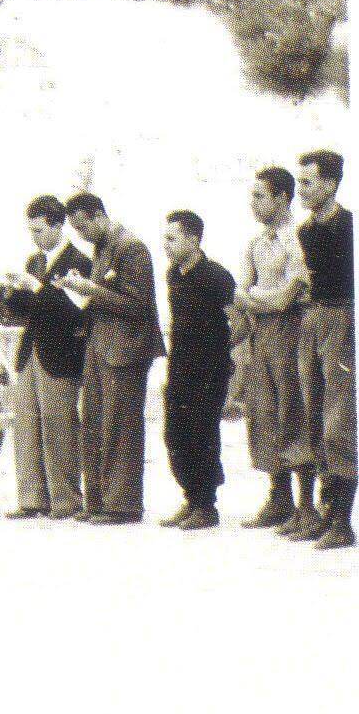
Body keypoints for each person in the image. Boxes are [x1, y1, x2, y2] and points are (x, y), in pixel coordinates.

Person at [58, 193, 165, 525]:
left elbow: (137, 304)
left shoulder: (130, 248)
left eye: (81, 226)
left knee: (120, 427)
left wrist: (90, 290)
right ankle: (98, 502)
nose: (80, 234)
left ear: (98, 215)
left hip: (125, 349)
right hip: (102, 345)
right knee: (92, 421)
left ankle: (122, 505)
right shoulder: (104, 246)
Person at [0, 195, 91, 520]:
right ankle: (31, 499)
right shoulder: (33, 262)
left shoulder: (79, 262)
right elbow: (26, 312)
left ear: (57, 225)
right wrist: (13, 293)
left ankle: (65, 500)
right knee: (25, 425)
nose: (34, 238)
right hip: (30, 352)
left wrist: (36, 289)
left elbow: (71, 312)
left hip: (59, 354)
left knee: (59, 428)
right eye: (31, 231)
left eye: (39, 230)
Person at [235, 167, 314, 532]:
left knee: (293, 410)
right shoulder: (253, 243)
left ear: (282, 197)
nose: (253, 204)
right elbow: (239, 292)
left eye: (260, 196)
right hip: (258, 335)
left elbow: (287, 298)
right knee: (263, 412)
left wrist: (257, 299)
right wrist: (258, 301)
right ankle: (278, 496)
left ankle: (306, 504)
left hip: (292, 332)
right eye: (252, 197)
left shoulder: (298, 239)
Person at [160, 210, 236, 530]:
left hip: (209, 369)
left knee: (202, 433)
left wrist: (225, 358)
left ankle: (207, 506)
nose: (165, 244)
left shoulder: (216, 276)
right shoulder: (173, 274)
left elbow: (238, 321)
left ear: (193, 239)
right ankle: (191, 497)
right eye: (165, 238)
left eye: (172, 238)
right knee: (175, 434)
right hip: (180, 366)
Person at [295, 150, 356, 549]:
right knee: (313, 414)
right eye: (299, 182)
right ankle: (323, 511)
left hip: (341, 318)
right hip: (312, 318)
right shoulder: (307, 230)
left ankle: (341, 520)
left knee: (339, 419)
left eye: (308, 182)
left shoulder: (347, 225)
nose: (301, 190)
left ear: (330, 184)